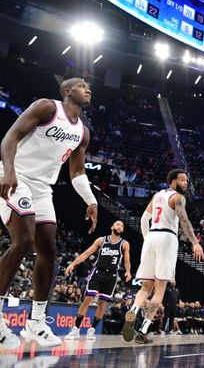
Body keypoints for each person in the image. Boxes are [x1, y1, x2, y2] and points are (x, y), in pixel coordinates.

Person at [0, 78, 97, 349]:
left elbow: (76, 172)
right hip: (15, 176)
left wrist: (91, 200)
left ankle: (36, 323)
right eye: (81, 85)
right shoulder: (46, 108)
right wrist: (8, 170)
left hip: (42, 187)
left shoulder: (83, 132)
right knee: (24, 242)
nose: (88, 88)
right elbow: (11, 137)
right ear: (67, 91)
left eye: (89, 86)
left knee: (49, 251)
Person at [122, 169, 204, 344]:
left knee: (145, 288)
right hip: (167, 238)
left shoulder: (157, 195)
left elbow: (144, 219)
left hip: (151, 237)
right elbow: (184, 220)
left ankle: (133, 311)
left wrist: (147, 240)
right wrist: (195, 242)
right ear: (173, 180)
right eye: (183, 180)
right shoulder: (178, 198)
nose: (186, 184)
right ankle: (143, 330)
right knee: (159, 289)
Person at [64, 220, 131, 340]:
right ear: (112, 226)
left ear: (123, 230)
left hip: (111, 276)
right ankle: (76, 329)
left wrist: (128, 271)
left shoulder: (124, 244)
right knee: (88, 299)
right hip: (98, 273)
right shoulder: (102, 240)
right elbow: (86, 253)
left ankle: (92, 329)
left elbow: (127, 260)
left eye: (122, 225)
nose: (119, 226)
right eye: (117, 224)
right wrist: (73, 264)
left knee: (102, 303)